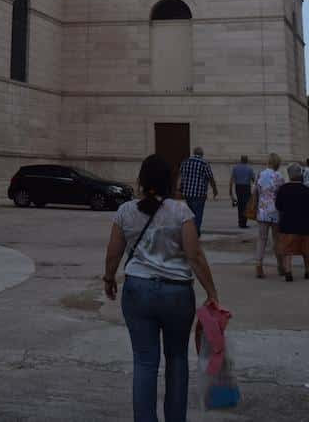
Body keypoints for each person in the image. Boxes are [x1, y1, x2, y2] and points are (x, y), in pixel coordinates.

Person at [103, 153, 219, 422]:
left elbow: (113, 253)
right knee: (177, 360)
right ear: (170, 180)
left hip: (138, 290)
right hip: (177, 293)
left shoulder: (125, 211)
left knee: (144, 362)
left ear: (141, 180)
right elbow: (195, 256)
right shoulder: (182, 211)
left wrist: (109, 279)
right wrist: (212, 292)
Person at [276, 162, 309, 281]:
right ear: (300, 175)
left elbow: (278, 207)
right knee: (306, 250)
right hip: (304, 226)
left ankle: (288, 271)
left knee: (287, 250)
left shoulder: (283, 189)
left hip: (287, 225)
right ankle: (308, 271)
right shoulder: (306, 190)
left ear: (289, 175)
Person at [254, 152, 284, 278]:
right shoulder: (279, 176)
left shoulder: (260, 174)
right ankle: (280, 265)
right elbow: (282, 193)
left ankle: (259, 266)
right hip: (275, 210)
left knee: (262, 239)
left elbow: (255, 190)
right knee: (277, 239)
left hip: (262, 210)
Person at [176, 146, 218, 236]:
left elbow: (180, 176)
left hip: (187, 193)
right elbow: (211, 178)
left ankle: (190, 231)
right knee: (198, 214)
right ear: (202, 154)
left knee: (190, 214)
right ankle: (195, 232)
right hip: (199, 193)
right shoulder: (204, 163)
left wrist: (178, 189)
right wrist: (215, 190)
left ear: (194, 153)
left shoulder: (185, 162)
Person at [229, 155, 255, 229]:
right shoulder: (249, 168)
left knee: (240, 204)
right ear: (247, 160)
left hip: (238, 187)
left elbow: (232, 180)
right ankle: (244, 222)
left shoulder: (235, 168)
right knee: (246, 204)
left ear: (240, 160)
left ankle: (240, 221)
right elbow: (253, 179)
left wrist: (230, 191)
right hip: (246, 187)